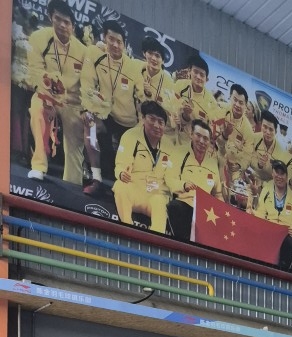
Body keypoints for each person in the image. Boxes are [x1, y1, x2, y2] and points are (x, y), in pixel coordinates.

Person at [80, 19, 144, 192]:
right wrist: (87, 109)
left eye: (119, 42)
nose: (115, 45)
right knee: (89, 124)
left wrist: (140, 124)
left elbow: (141, 97)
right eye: (111, 40)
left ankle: (127, 187)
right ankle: (96, 177)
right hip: (104, 114)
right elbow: (87, 83)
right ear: (104, 38)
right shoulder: (96, 56)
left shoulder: (133, 67)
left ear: (124, 45)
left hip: (127, 121)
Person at [27, 0, 86, 185]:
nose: (62, 25)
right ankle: (38, 166)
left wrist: (86, 110)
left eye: (66, 22)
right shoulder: (38, 38)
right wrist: (48, 98)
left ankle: (73, 182)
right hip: (46, 96)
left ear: (73, 26)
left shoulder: (83, 52)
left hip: (72, 102)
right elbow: (35, 71)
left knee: (76, 137)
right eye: (58, 19)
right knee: (37, 109)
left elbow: (87, 85)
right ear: (50, 18)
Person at [113, 101, 175, 232]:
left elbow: (172, 177)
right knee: (120, 186)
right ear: (143, 119)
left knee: (160, 201)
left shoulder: (170, 146)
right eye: (152, 119)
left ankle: (155, 239)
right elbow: (121, 164)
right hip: (135, 189)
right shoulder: (130, 136)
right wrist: (121, 173)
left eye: (161, 122)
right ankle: (127, 230)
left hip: (156, 194)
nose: (156, 125)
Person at [166, 118, 222, 241]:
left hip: (204, 210)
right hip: (184, 203)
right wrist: (183, 185)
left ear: (209, 141)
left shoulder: (212, 163)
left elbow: (218, 193)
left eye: (205, 138)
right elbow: (169, 179)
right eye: (198, 135)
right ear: (191, 135)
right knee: (175, 207)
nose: (201, 141)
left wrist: (221, 209)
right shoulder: (179, 153)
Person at [255, 159, 292, 269]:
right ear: (272, 173)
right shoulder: (266, 191)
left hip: (286, 238)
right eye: (277, 172)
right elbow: (260, 214)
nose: (279, 177)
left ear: (287, 176)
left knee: (290, 243)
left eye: (282, 174)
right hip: (269, 232)